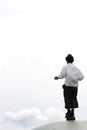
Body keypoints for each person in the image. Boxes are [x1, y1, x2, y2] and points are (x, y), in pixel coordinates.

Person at [54, 54, 84, 120]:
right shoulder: (76, 68)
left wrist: (57, 77)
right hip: (75, 86)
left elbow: (62, 75)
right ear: (72, 60)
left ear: (66, 60)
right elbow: (82, 77)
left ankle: (68, 112)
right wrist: (76, 79)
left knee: (67, 98)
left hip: (67, 86)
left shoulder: (65, 67)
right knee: (73, 98)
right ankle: (72, 112)